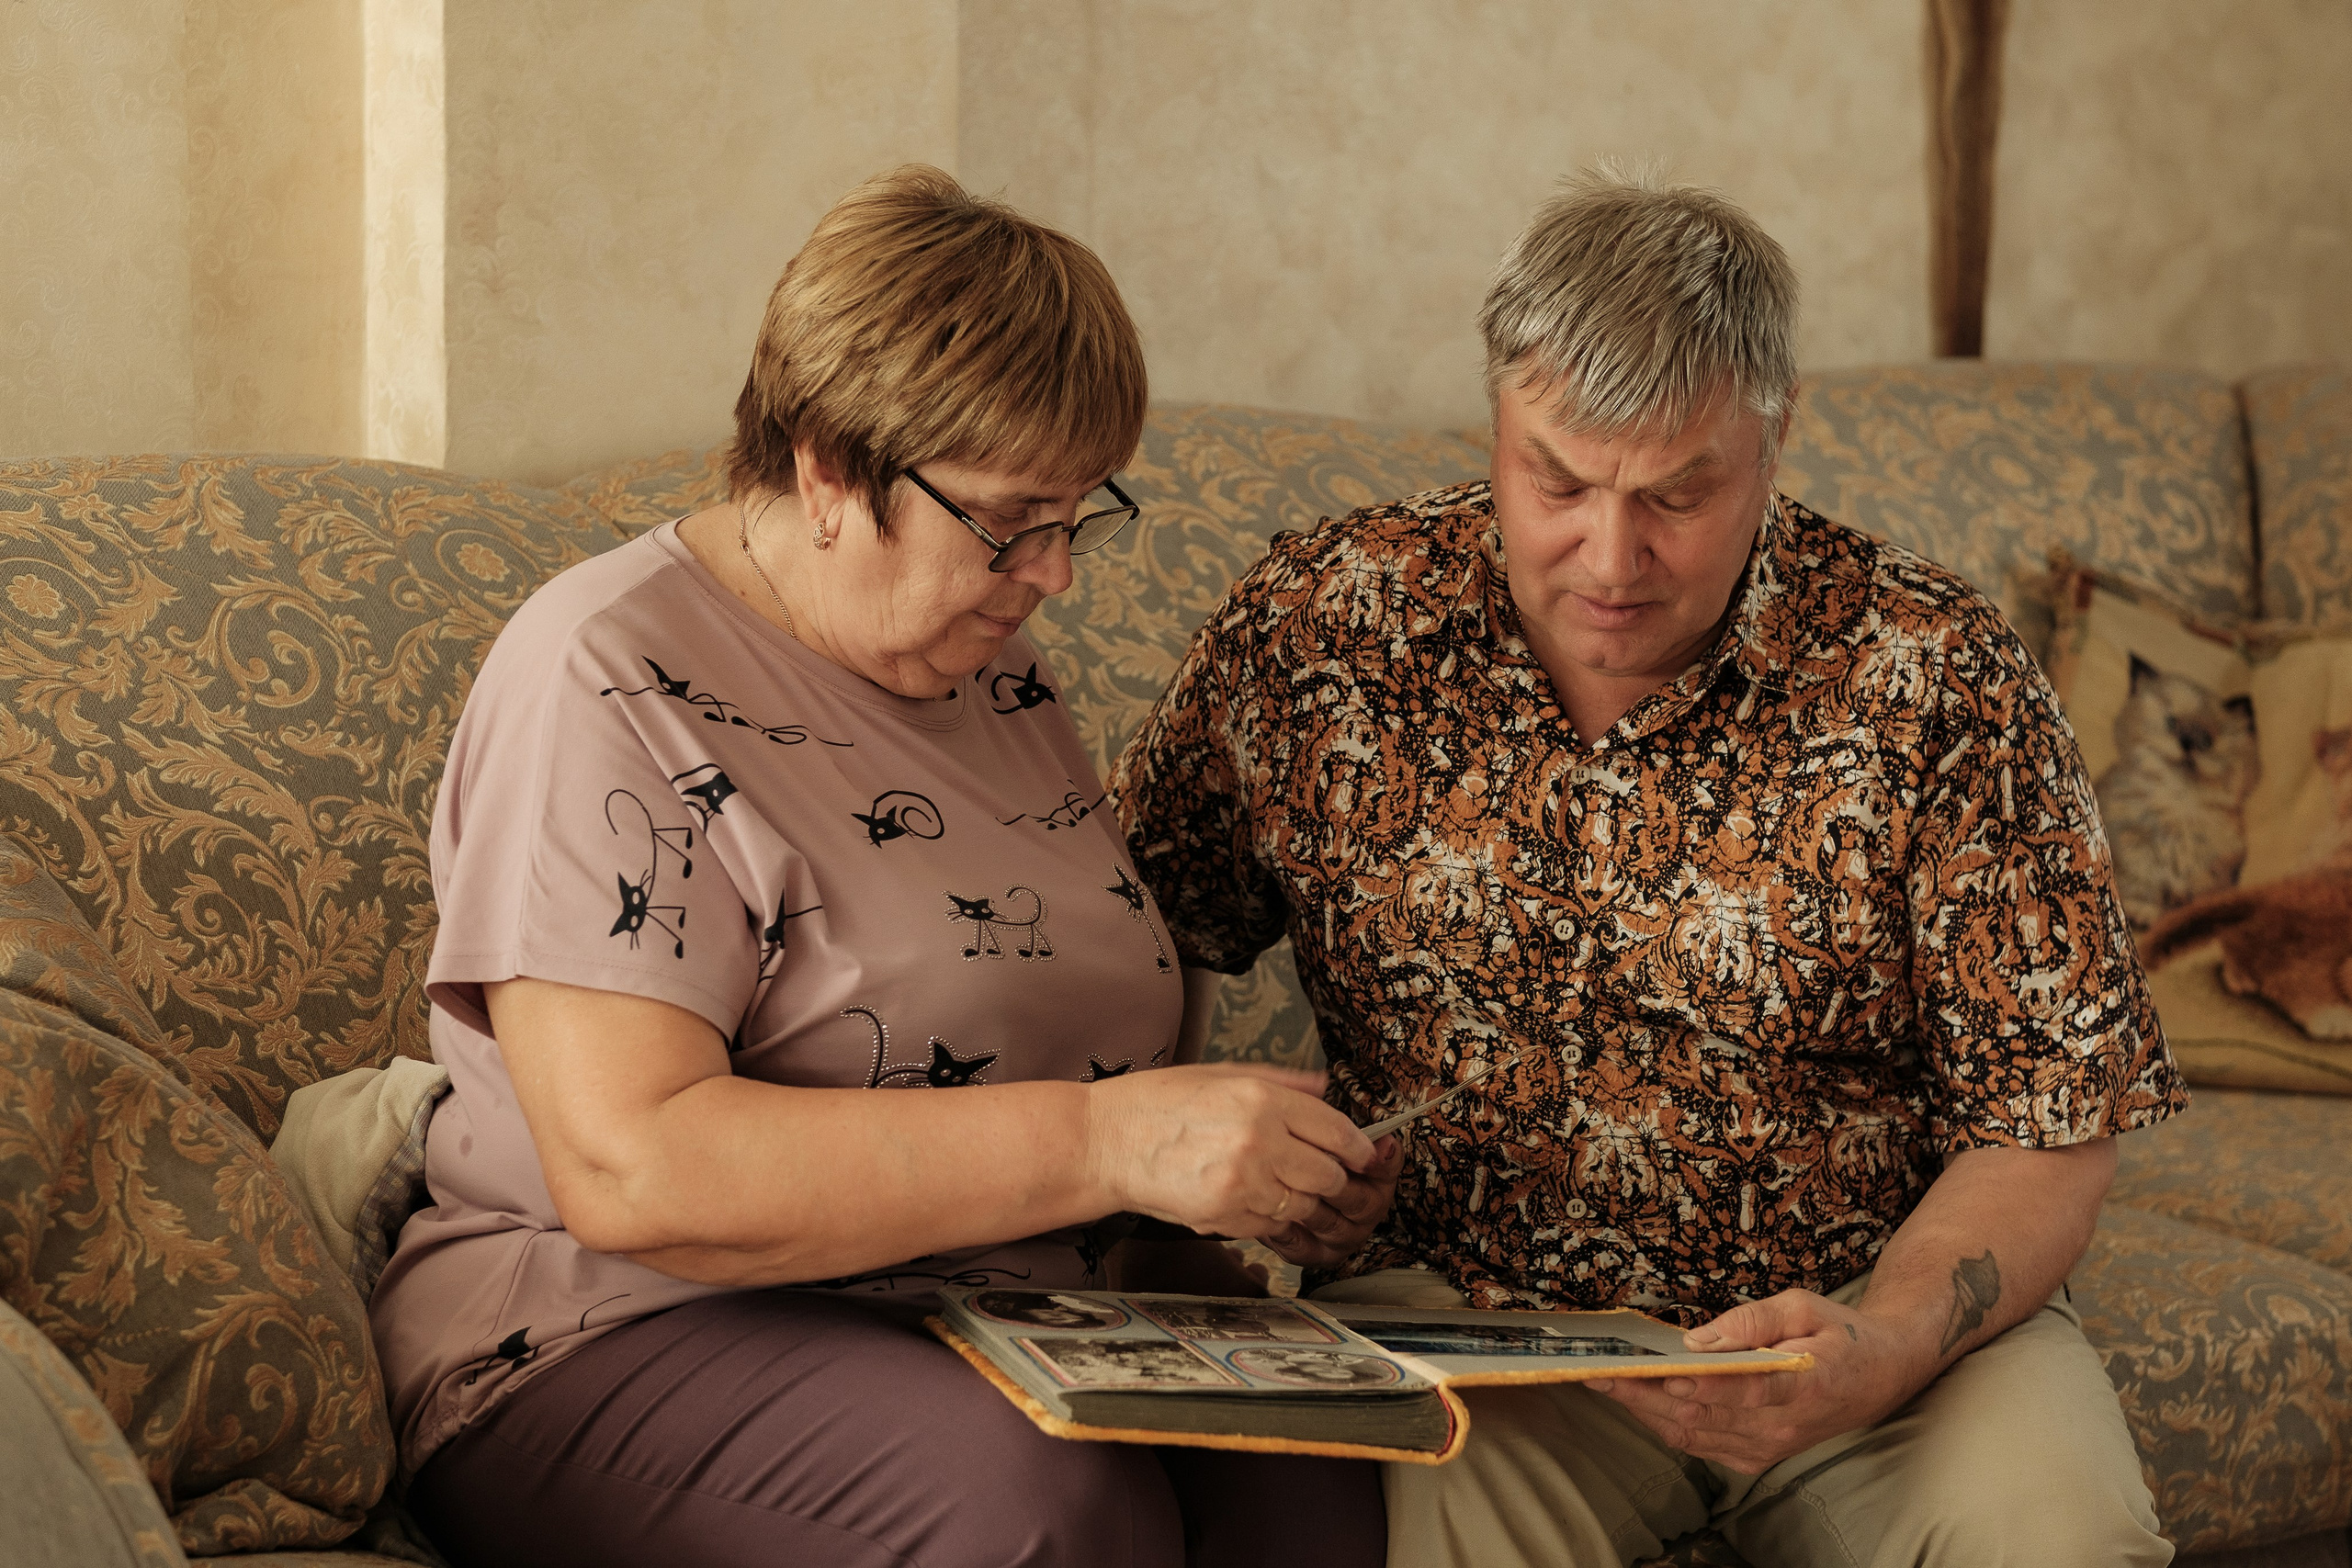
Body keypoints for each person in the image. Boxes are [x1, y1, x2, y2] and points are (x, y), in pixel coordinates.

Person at [1111, 169, 2185, 1567]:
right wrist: (1199, 1191)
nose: (1611, 557)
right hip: (1472, 1331)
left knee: (2064, 1537)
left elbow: (2047, 1118)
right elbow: (1140, 932)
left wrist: (1890, 1334)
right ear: (1493, 418)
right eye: (1556, 481)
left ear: (1777, 436)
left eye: (1681, 493)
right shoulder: (1324, 626)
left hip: (1870, 1320)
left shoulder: (1936, 672)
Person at [368, 166, 1396, 1568]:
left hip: (999, 1323)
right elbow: (637, 1167)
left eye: (1079, 515)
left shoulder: (991, 673)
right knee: (1037, 1508)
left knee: (1308, 1482)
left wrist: (1243, 1194)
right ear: (828, 467)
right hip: (608, 1332)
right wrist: (1113, 1142)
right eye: (1008, 520)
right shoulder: (603, 674)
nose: (1055, 575)